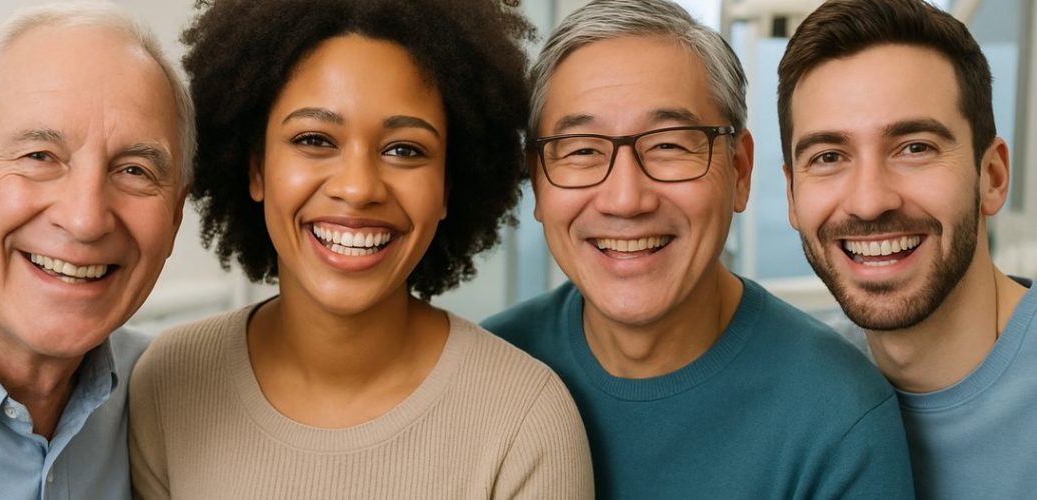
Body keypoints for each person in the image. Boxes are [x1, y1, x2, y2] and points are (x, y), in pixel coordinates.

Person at [127, 0, 594, 498]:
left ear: (447, 187)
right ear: (256, 168)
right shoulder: (168, 384)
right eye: (314, 139)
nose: (358, 188)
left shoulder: (524, 420)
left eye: (404, 149)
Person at [481, 1, 914, 498]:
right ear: (537, 182)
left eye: (669, 145)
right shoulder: (487, 373)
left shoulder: (838, 414)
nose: (626, 199)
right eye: (582, 150)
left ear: (740, 171)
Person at [0, 2, 193, 499]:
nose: (85, 219)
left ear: (176, 217)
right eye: (39, 155)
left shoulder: (164, 399)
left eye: (134, 170)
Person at [778, 0, 1035, 497]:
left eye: (915, 147)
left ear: (992, 176)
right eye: (829, 157)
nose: (869, 202)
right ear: (791, 196)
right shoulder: (804, 388)